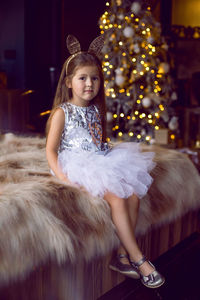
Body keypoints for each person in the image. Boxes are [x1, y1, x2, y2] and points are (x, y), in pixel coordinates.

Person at [46, 35, 165, 289]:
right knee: (116, 195)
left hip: (98, 158)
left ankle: (122, 255)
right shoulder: (62, 112)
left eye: (95, 78)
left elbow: (97, 141)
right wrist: (63, 177)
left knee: (133, 193)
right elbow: (51, 151)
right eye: (82, 78)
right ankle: (139, 258)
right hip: (76, 164)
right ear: (68, 82)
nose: (89, 83)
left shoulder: (96, 110)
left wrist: (106, 153)